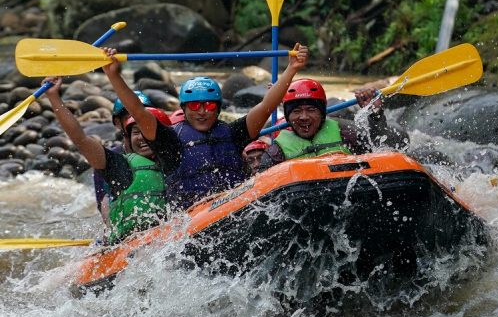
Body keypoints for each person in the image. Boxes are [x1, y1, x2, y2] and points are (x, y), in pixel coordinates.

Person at [102, 43, 309, 210]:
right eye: (194, 105)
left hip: (235, 208)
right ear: (184, 108)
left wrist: (291, 68)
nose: (202, 112)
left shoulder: (232, 133)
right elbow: (138, 112)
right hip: (192, 220)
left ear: (218, 109)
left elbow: (266, 106)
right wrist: (113, 75)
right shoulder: (170, 141)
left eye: (209, 105)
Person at [45, 77, 172, 244]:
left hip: (170, 234)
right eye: (135, 132)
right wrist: (54, 97)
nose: (142, 138)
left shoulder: (176, 155)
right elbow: (81, 140)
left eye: (146, 129)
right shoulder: (120, 165)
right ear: (123, 129)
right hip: (131, 239)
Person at [259, 78, 404, 167]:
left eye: (311, 109)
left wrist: (375, 113)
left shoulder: (344, 131)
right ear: (287, 116)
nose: (303, 117)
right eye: (296, 111)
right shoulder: (277, 150)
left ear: (322, 113)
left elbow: (381, 147)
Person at [93, 91, 153, 227]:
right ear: (117, 123)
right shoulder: (109, 160)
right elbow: (104, 202)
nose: (136, 120)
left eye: (142, 115)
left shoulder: (164, 151)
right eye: (130, 116)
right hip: (124, 225)